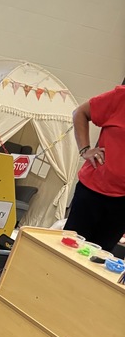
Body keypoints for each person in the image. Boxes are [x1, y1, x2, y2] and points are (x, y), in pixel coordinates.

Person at [65, 83, 125, 252]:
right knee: (69, 248)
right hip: (92, 191)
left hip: (121, 203)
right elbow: (80, 113)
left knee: (99, 256)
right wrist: (85, 149)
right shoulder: (120, 98)